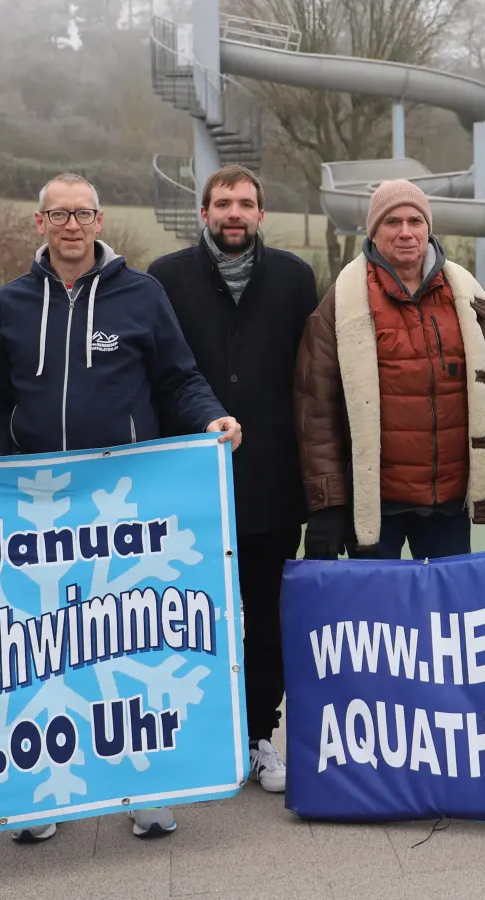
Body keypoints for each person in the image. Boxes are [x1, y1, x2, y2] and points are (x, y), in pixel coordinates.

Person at [0, 173, 241, 841]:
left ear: (100, 221)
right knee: (40, 650)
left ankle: (143, 789)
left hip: (123, 508)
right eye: (58, 214)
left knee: (125, 642)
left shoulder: (141, 294)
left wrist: (211, 419)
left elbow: (178, 379)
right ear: (39, 223)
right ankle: (44, 797)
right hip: (34, 512)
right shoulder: (9, 303)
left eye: (83, 213)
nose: (71, 225)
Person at [147, 164, 318, 793]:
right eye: (223, 203)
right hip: (189, 483)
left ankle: (258, 734)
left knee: (267, 615)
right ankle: (195, 732)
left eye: (246, 203)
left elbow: (314, 380)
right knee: (192, 615)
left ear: (262, 214)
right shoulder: (164, 278)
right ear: (204, 213)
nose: (234, 213)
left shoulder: (297, 280)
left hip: (274, 481)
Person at [294, 179, 485, 560]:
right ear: (373, 232)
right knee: (377, 618)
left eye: (415, 221)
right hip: (376, 506)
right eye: (392, 222)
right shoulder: (340, 303)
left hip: (448, 503)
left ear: (428, 229)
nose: (406, 232)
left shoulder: (469, 296)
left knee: (449, 615)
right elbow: (317, 411)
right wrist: (327, 503)